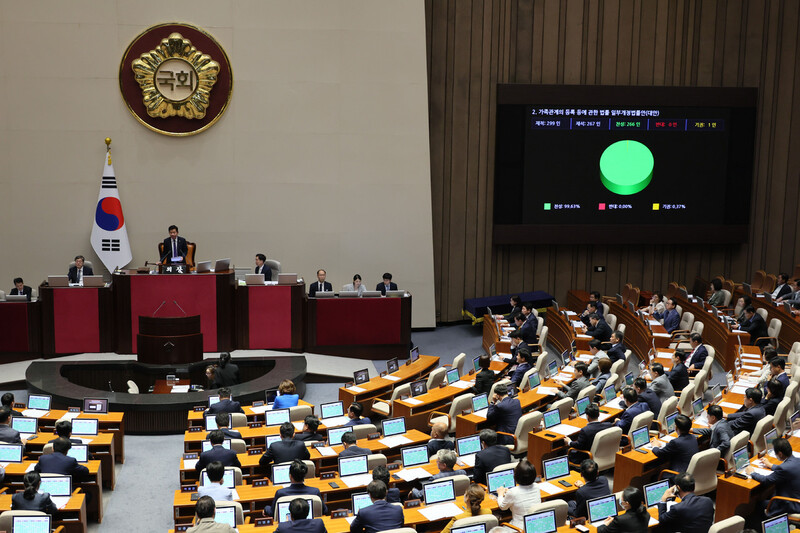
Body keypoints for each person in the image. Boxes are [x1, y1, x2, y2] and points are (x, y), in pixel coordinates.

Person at [748, 437, 800, 517]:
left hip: (791, 504)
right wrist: (771, 465)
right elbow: (787, 470)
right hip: (796, 496)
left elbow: (766, 480)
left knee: (758, 504)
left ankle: (763, 526)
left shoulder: (784, 468)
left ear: (780, 454)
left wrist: (752, 472)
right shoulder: (797, 460)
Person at [496, 459, 541, 530]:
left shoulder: (513, 492)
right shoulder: (536, 486)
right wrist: (509, 492)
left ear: (516, 476)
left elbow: (503, 507)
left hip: (519, 528)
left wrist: (500, 494)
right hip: (536, 524)